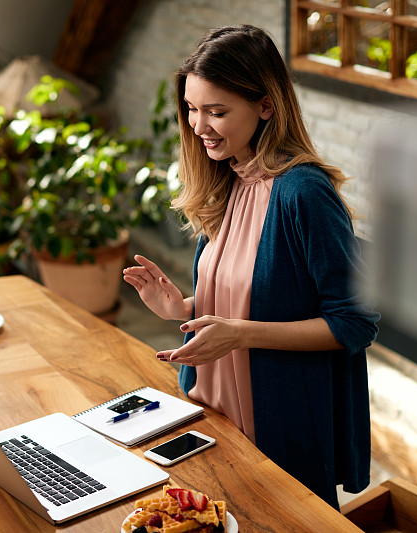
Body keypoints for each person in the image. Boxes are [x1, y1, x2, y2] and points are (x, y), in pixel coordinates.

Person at [123, 24, 380, 510]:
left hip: (278, 425)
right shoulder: (227, 180)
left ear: (266, 106)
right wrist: (181, 306)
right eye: (193, 109)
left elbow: (354, 323)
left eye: (217, 112)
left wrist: (239, 334)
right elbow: (261, 294)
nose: (199, 126)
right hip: (213, 414)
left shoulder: (303, 193)